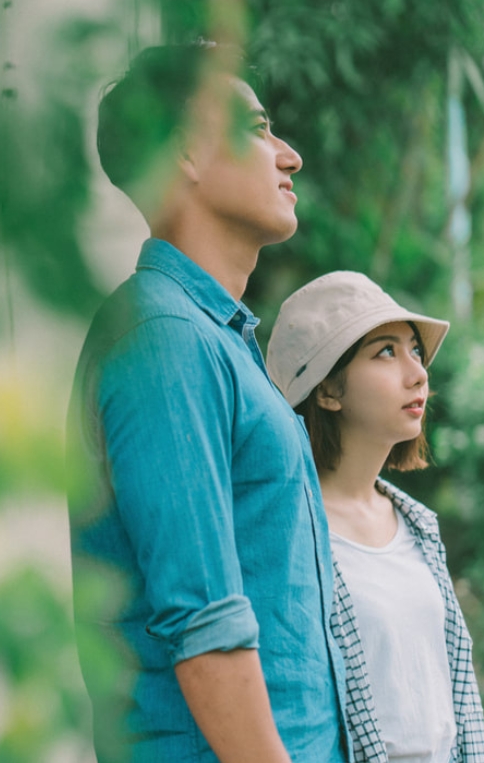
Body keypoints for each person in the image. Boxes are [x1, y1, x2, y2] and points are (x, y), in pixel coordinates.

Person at [66, 42, 347, 763]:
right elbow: (205, 626)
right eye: (257, 129)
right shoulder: (164, 340)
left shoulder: (212, 337)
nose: (291, 156)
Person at [267, 271, 484, 763]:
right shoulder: (290, 538)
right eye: (385, 351)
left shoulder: (418, 527)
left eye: (415, 350)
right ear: (327, 390)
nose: (418, 373)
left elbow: (456, 704)